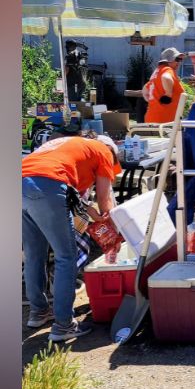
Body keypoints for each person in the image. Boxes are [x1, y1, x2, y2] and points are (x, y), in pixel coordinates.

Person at [22, 134, 121, 342]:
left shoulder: (71, 144)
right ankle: (64, 325)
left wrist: (89, 212)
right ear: (110, 152)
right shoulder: (103, 152)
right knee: (66, 256)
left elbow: (62, 186)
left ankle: (38, 312)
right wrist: (115, 230)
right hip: (46, 186)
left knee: (34, 254)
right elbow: (105, 200)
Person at [142, 47, 185, 124]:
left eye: (180, 60)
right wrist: (168, 94)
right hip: (165, 121)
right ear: (169, 60)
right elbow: (166, 77)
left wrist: (148, 99)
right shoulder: (167, 70)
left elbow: (145, 88)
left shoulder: (157, 72)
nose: (179, 63)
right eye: (177, 60)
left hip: (152, 118)